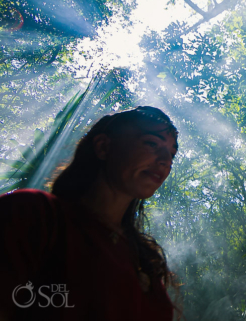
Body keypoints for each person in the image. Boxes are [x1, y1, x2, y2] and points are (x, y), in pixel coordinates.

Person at [0, 106, 179, 321]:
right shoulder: (33, 214)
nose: (165, 161)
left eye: (171, 154)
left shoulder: (143, 260)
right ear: (103, 147)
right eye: (152, 143)